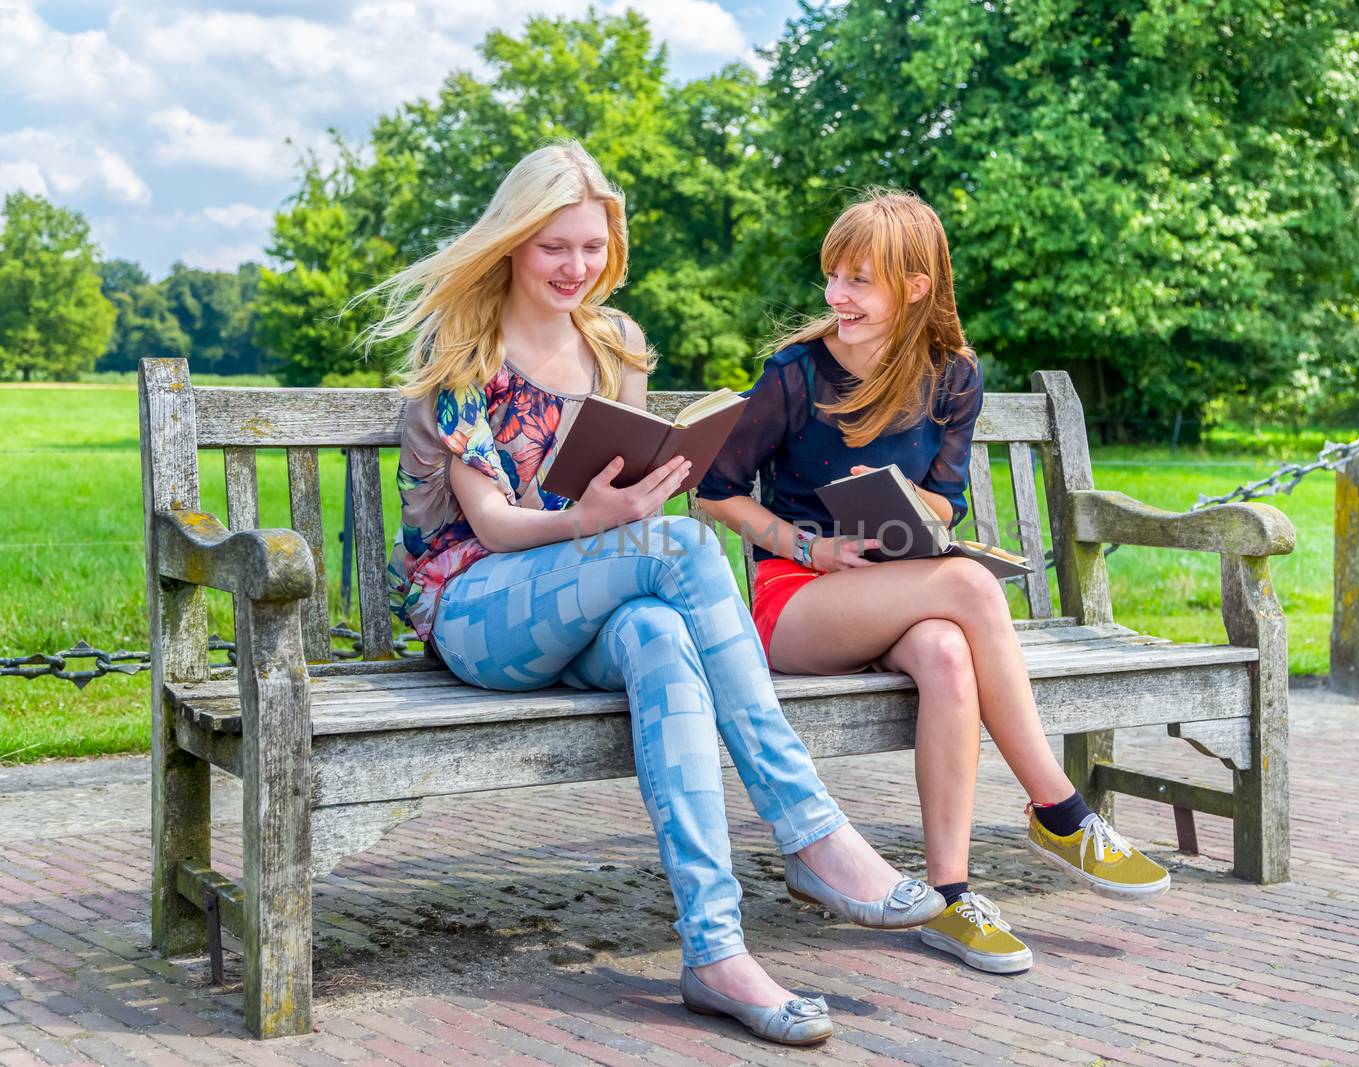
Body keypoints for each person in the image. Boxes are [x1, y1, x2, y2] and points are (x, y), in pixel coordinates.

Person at [369, 145, 944, 1046]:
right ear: (514, 241)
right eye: (555, 246)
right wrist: (598, 519)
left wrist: (644, 491)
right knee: (679, 543)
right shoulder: (461, 352)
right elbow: (489, 526)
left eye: (592, 247)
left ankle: (716, 953)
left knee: (656, 636)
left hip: (588, 601)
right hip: (479, 611)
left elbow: (623, 489)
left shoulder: (615, 344)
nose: (576, 268)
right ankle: (810, 830)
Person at [697, 189, 1171, 976]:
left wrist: (912, 510)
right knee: (977, 591)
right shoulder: (794, 374)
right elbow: (718, 489)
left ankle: (950, 898)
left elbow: (945, 495)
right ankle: (1060, 809)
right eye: (834, 278)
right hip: (800, 600)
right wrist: (807, 546)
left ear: (914, 287)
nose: (836, 296)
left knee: (951, 653)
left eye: (858, 281)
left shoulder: (952, 374)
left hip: (900, 584)